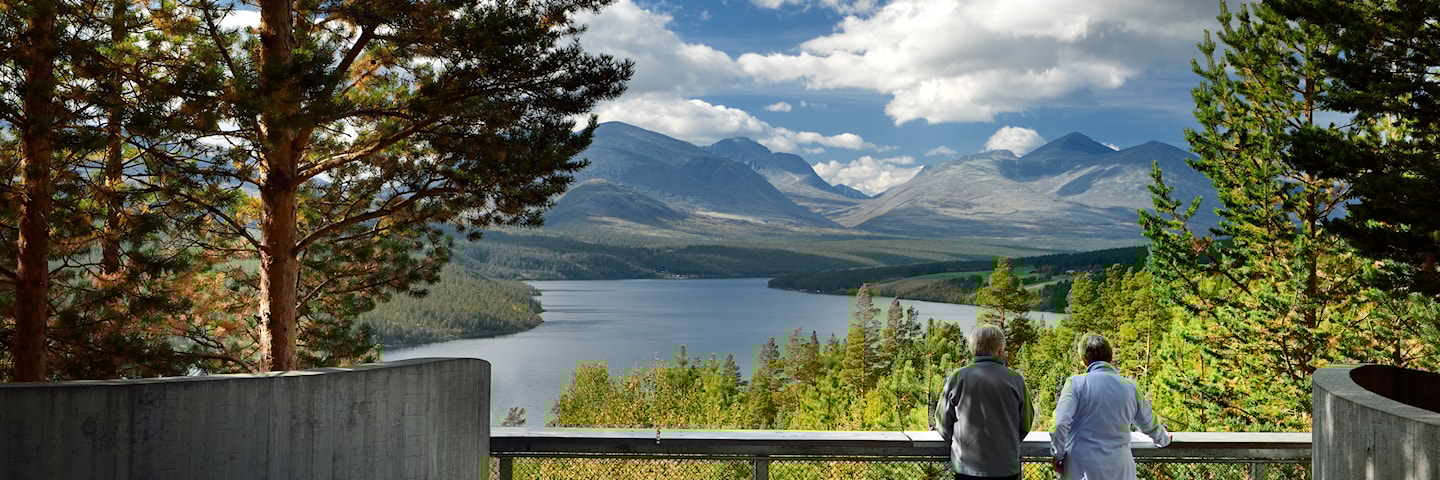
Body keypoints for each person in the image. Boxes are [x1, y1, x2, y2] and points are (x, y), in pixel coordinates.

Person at [1050, 334, 1171, 479]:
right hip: (1121, 470)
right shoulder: (1130, 387)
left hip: (1081, 469)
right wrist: (1164, 439)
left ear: (1084, 360)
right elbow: (1148, 422)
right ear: (1110, 357)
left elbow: (1060, 424)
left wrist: (1058, 455)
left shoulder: (1075, 384)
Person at [933, 324, 1035, 480]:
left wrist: (959, 444)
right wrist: (1007, 441)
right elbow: (1026, 423)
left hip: (966, 469)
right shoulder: (1015, 380)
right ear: (1001, 350)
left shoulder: (958, 378)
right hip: (1005, 469)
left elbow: (942, 423)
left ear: (974, 349)